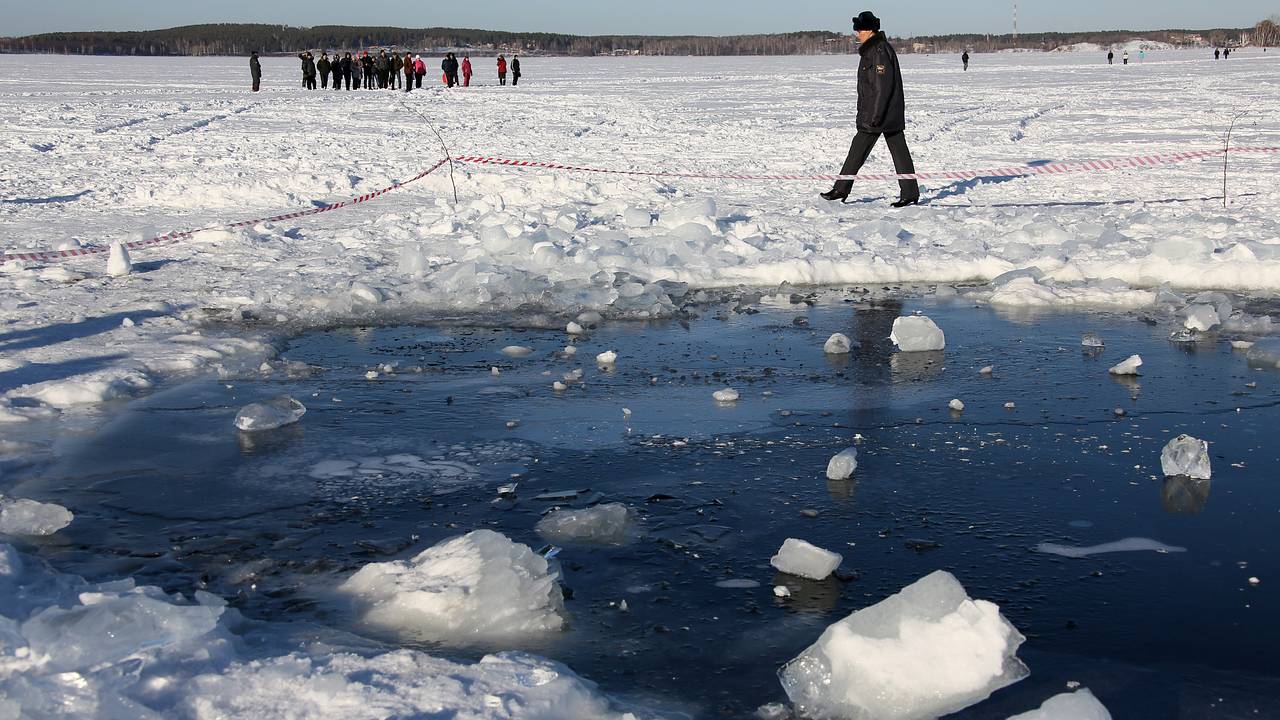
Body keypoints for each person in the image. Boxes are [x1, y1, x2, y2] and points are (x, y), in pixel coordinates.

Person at [819, 11, 919, 208]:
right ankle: (909, 192)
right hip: (883, 113)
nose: (858, 34)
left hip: (880, 114)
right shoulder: (873, 49)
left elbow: (882, 87)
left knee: (864, 150)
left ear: (870, 30)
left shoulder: (879, 51)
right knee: (889, 151)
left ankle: (842, 189)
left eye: (860, 30)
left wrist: (875, 115)